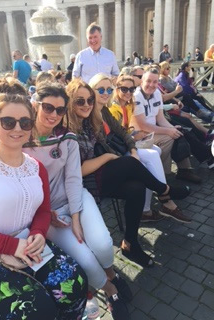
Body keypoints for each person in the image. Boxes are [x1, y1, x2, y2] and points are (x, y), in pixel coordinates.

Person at [0, 93, 87, 320]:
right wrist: (10, 245)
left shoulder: (36, 167)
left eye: (25, 122)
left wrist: (38, 233)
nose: (17, 128)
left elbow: (43, 210)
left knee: (76, 283)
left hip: (27, 244)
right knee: (35, 311)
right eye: (8, 122)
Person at [23, 82, 131, 320]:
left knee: (102, 244)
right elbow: (23, 188)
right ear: (35, 105)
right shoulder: (21, 140)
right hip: (45, 212)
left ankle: (112, 275)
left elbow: (73, 178)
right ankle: (110, 291)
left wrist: (75, 216)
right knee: (84, 259)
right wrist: (47, 211)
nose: (54, 115)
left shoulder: (67, 138)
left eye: (60, 110)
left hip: (75, 199)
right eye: (48, 107)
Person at [66, 78, 190, 268]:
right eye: (80, 101)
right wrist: (110, 157)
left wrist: (126, 150)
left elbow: (121, 134)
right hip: (82, 183)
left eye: (89, 100)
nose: (87, 104)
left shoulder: (90, 120)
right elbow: (78, 170)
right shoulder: (69, 129)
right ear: (70, 102)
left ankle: (130, 243)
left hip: (98, 173)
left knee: (136, 187)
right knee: (131, 164)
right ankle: (165, 190)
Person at [100, 73, 190, 223]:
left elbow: (123, 131)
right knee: (152, 156)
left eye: (131, 89)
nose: (128, 92)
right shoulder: (113, 109)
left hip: (126, 145)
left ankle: (146, 209)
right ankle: (165, 198)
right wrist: (133, 137)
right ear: (116, 89)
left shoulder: (127, 105)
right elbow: (115, 136)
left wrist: (134, 134)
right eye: (124, 89)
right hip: (116, 152)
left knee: (156, 151)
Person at [131, 68, 202, 183]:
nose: (151, 85)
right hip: (139, 134)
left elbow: (160, 118)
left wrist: (171, 128)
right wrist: (168, 131)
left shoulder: (157, 93)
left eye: (155, 82)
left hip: (152, 132)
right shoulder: (137, 96)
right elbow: (143, 125)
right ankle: (162, 175)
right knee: (169, 137)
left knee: (178, 132)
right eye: (148, 81)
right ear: (142, 81)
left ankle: (184, 170)